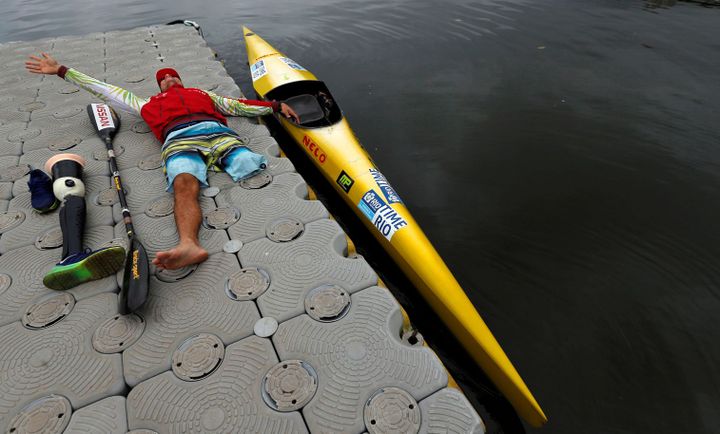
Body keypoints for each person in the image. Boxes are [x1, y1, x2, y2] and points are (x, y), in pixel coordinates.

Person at [25, 53, 299, 271]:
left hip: (219, 134)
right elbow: (104, 90)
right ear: (159, 86)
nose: (169, 79)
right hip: (179, 140)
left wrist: (275, 106)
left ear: (181, 80)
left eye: (173, 76)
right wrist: (62, 71)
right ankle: (189, 245)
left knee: (252, 166)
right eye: (164, 78)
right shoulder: (146, 103)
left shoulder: (204, 95)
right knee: (183, 183)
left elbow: (237, 105)